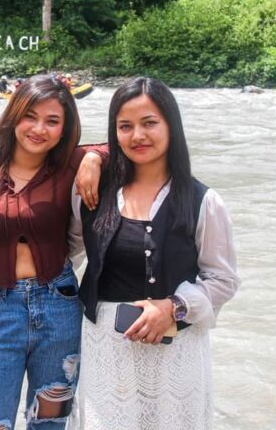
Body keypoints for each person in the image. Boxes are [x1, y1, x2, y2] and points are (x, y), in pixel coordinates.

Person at [72, 77, 240, 429]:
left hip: (175, 353)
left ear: (171, 126)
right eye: (125, 126)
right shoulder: (90, 192)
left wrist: (174, 307)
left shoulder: (202, 201)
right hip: (107, 351)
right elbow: (67, 253)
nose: (138, 136)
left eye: (149, 123)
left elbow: (223, 280)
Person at [0, 75, 105, 430]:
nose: (39, 129)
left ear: (65, 129)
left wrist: (94, 156)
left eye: (52, 121)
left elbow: (122, 148)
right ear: (13, 116)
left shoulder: (69, 166)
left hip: (60, 309)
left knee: (49, 422)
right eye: (30, 116)